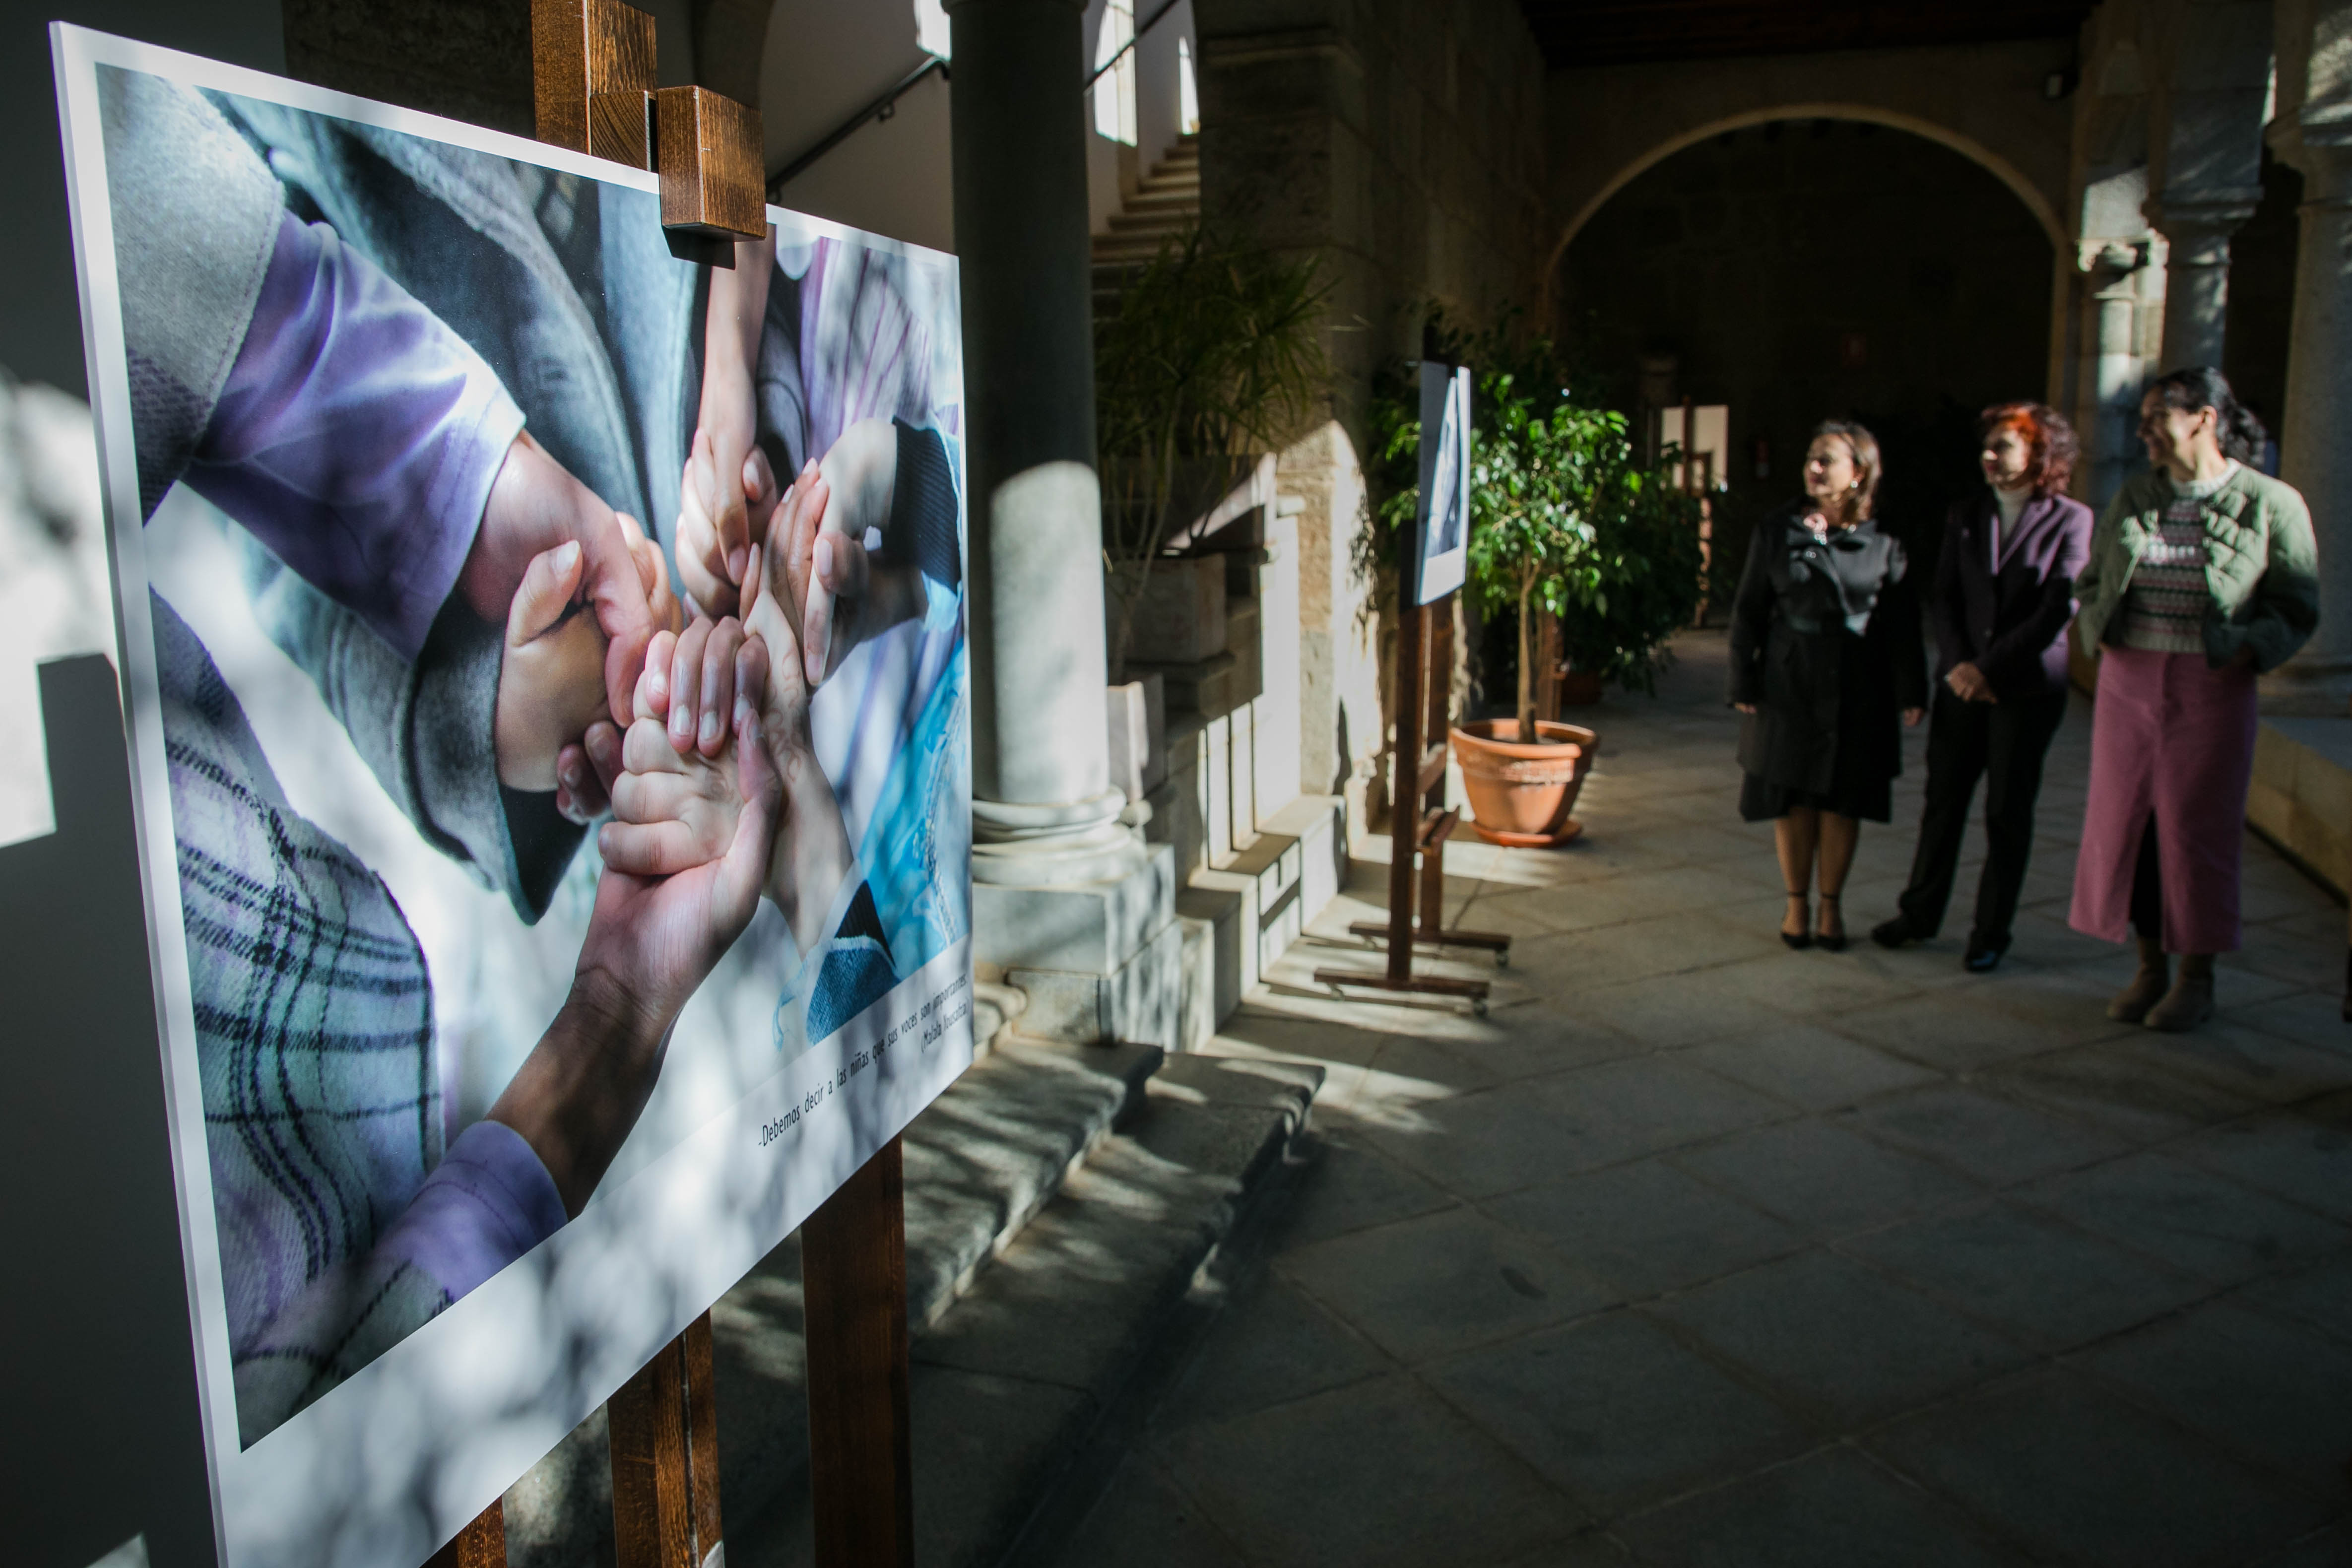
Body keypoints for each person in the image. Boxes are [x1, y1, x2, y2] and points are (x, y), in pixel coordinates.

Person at [2069, 367, 2319, 1030]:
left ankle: (2197, 977)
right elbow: (2093, 580)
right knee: (2134, 829)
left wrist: (2248, 648)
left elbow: (2298, 607)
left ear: (2204, 418)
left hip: (2212, 686)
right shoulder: (2135, 495)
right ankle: (2150, 968)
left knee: (2196, 830)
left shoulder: (2273, 503)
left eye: (2157, 416)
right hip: (2130, 682)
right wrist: (2099, 626)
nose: (2144, 430)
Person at [1873, 404, 2093, 971]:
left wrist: (1988, 669)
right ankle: (1919, 914)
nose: (1989, 457)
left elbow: (2057, 607)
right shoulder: (1965, 514)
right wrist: (1959, 665)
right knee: (1942, 805)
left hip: (2025, 689)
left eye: (2005, 447)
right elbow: (1943, 595)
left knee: (2006, 812)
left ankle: (1992, 932)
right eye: (1988, 447)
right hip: (1963, 685)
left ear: (2040, 456)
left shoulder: (2072, 519)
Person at [1730, 420, 1927, 951]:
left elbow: (1902, 618)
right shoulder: (1777, 528)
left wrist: (1913, 690)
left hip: (1860, 676)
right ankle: (1797, 904)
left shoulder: (1885, 535)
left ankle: (1832, 907)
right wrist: (1743, 677)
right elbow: (1749, 609)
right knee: (1793, 794)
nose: (1814, 468)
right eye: (1811, 458)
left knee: (1844, 797)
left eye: (1828, 460)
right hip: (1790, 674)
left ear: (1858, 473)